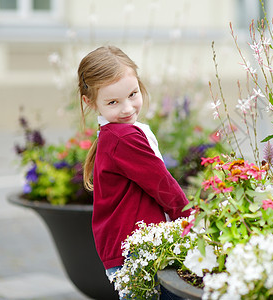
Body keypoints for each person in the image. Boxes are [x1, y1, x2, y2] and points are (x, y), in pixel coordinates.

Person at [77, 45, 191, 299]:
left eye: (132, 94)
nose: (127, 108)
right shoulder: (123, 137)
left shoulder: (111, 134)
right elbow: (162, 184)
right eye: (113, 102)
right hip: (140, 251)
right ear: (90, 102)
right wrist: (191, 219)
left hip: (126, 250)